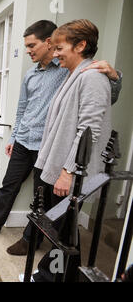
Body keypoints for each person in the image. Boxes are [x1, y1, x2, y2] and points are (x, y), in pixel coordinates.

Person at [0, 20, 122, 255]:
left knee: (44, 201)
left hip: (47, 147)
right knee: (9, 185)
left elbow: (101, 101)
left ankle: (33, 240)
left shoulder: (69, 70)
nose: (28, 51)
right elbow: (22, 109)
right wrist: (14, 137)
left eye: (31, 45)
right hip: (25, 139)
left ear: (48, 43)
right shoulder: (32, 75)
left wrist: (115, 76)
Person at [28, 19, 113, 282]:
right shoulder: (74, 75)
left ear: (81, 45)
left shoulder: (93, 78)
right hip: (60, 167)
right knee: (63, 232)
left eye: (60, 47)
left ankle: (47, 277)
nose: (55, 54)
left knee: (61, 232)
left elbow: (90, 131)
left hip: (69, 172)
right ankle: (66, 277)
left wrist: (68, 171)